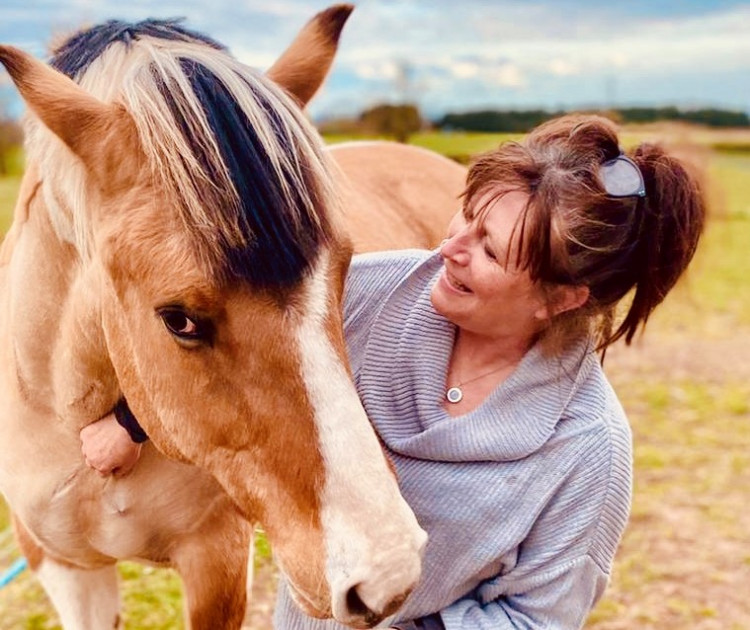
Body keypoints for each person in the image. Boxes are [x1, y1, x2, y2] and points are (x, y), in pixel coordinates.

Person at [80, 114, 705, 629]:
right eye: (467, 216)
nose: (449, 248)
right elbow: (246, 352)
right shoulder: (374, 291)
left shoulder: (588, 451)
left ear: (560, 299)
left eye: (489, 249)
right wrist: (130, 422)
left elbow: (539, 620)